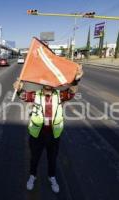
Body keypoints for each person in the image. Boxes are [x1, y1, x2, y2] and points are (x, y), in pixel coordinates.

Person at [13, 65, 83, 193]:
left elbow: (72, 92)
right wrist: (18, 89)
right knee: (34, 158)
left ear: (54, 84)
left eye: (51, 82)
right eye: (46, 81)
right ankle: (32, 176)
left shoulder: (60, 95)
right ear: (42, 83)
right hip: (37, 134)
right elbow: (23, 96)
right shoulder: (36, 95)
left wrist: (76, 80)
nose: (48, 84)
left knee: (52, 159)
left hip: (53, 134)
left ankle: (52, 177)